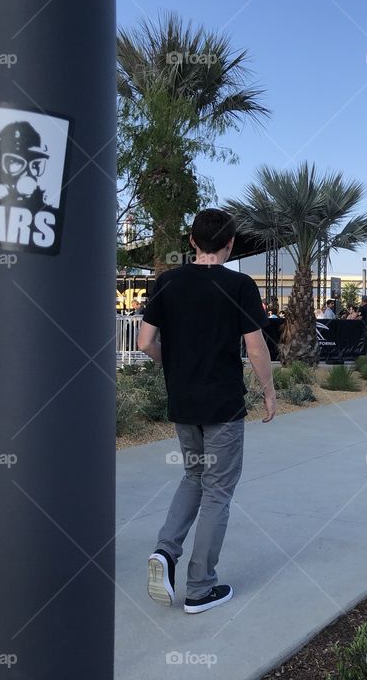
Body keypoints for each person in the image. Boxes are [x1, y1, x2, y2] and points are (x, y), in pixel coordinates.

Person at [137, 209, 276, 615]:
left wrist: (171, 361)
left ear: (193, 242)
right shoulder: (240, 285)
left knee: (194, 475)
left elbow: (145, 341)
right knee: (217, 490)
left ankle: (165, 551)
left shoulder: (167, 282)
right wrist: (268, 392)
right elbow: (255, 348)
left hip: (184, 403)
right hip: (223, 405)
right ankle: (199, 588)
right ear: (230, 244)